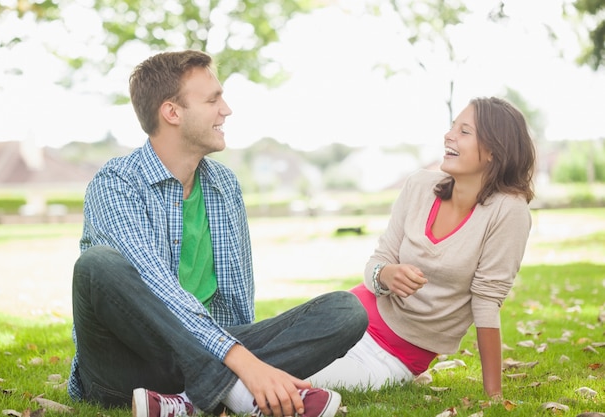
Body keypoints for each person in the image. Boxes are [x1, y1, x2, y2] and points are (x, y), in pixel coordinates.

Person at [67, 49, 368, 417]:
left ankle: (187, 402)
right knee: (96, 265)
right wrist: (244, 362)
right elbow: (156, 287)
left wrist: (244, 354)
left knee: (345, 311)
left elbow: (238, 303)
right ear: (172, 112)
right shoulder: (116, 184)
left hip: (208, 349)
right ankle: (236, 394)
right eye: (213, 99)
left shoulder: (224, 185)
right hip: (125, 367)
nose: (226, 110)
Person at [308, 96, 536, 399]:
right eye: (452, 127)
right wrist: (385, 275)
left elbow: (487, 300)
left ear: (494, 150)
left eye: (464, 131)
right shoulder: (419, 186)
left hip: (392, 356)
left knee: (283, 378)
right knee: (257, 356)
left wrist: (493, 395)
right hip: (348, 315)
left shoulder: (508, 211)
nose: (449, 135)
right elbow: (377, 261)